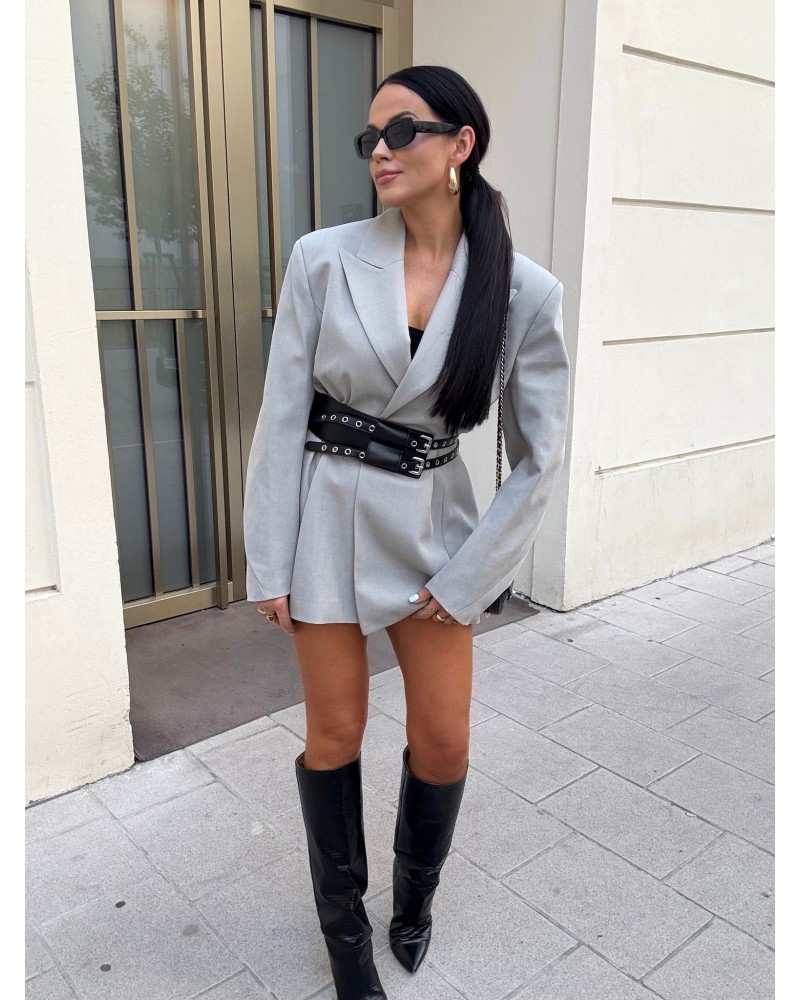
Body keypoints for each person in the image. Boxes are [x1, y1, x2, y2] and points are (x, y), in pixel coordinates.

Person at [243, 65, 571, 1000]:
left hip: (437, 527)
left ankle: (414, 902)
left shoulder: (523, 290)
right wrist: (269, 559)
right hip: (326, 517)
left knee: (444, 742)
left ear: (461, 143)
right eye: (371, 138)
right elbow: (281, 414)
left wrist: (471, 579)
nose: (380, 152)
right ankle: (346, 938)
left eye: (402, 131)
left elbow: (540, 456)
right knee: (334, 732)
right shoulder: (324, 257)